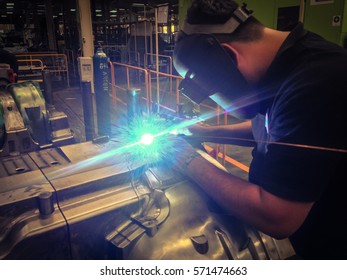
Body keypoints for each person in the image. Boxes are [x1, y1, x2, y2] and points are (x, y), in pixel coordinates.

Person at [170, 0, 347, 259]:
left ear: (229, 57)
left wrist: (183, 158)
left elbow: (277, 217)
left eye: (211, 91)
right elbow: (274, 131)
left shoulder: (317, 83)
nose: (218, 103)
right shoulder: (290, 64)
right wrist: (203, 131)